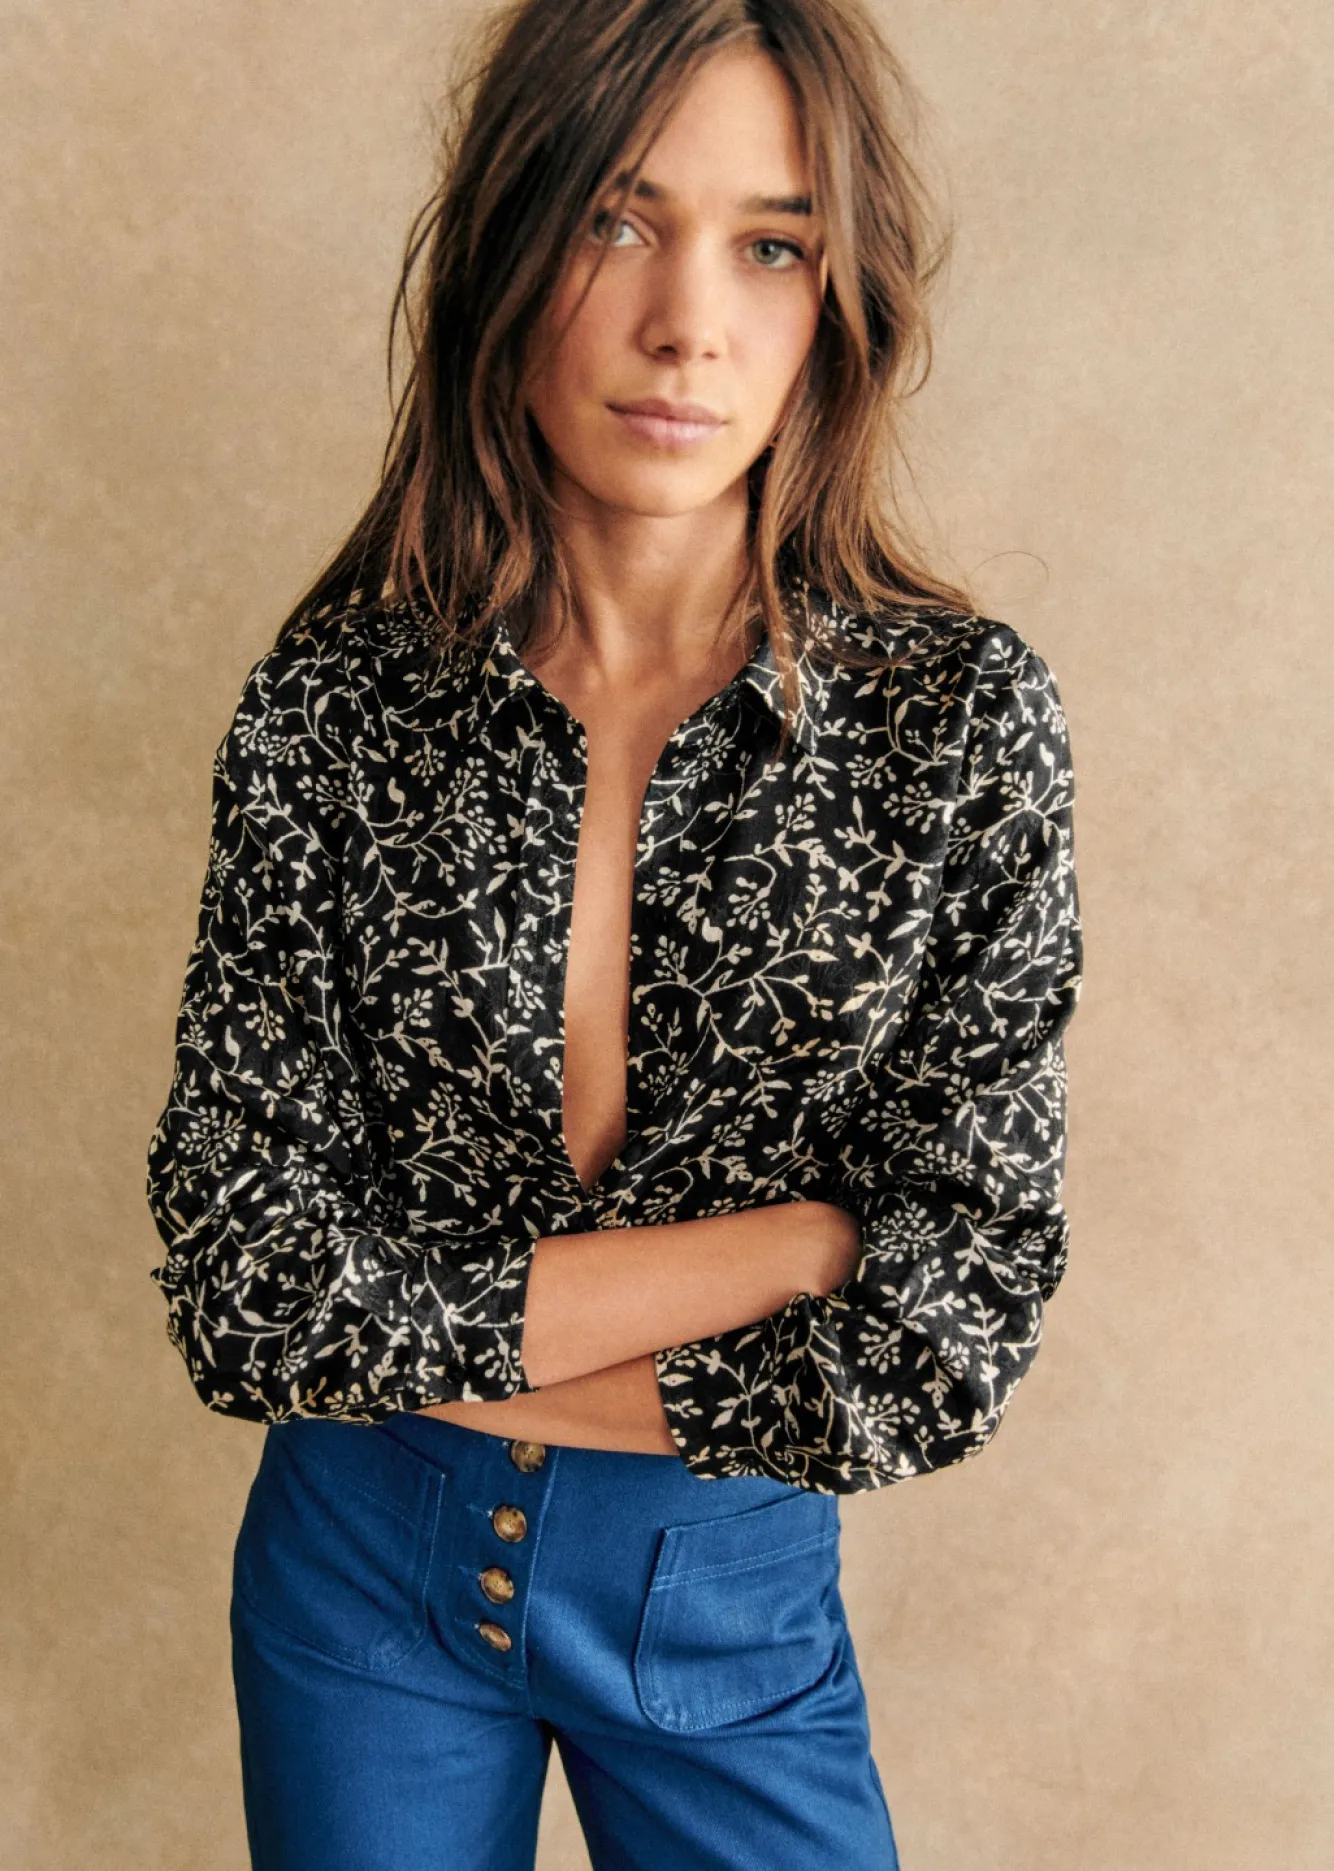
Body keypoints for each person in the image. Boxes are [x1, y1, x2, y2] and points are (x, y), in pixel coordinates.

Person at [145, 0, 1082, 1864]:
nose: (687, 324)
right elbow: (245, 1281)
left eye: (771, 246)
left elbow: (946, 1329)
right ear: (511, 243)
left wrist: (401, 1333)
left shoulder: (957, 729)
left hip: (715, 1591)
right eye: (615, 220)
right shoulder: (338, 704)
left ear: (839, 301)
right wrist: (796, 1247)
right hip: (355, 1588)